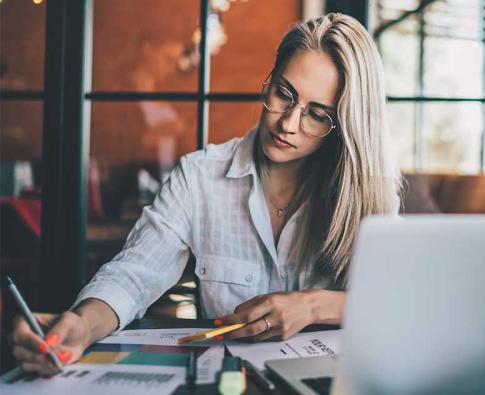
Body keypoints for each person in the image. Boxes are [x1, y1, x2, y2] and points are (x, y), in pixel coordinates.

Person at [10, 13, 400, 376]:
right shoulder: (200, 176)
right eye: (284, 94)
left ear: (345, 126)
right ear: (270, 79)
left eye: (317, 114)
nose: (288, 123)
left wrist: (313, 304)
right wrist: (81, 324)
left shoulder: (367, 194)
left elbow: (404, 303)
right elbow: (133, 275)